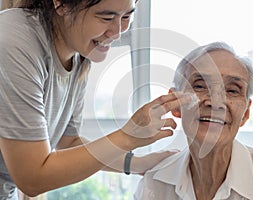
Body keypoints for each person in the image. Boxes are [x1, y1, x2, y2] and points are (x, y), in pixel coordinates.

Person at [0, 0, 194, 199]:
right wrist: (128, 136)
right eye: (106, 18)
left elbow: (68, 142)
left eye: (126, 16)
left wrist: (136, 163)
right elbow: (33, 178)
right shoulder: (14, 39)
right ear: (61, 5)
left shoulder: (77, 57)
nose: (117, 32)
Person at [134, 41, 253, 200]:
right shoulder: (154, 184)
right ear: (174, 103)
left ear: (246, 112)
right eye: (200, 86)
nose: (215, 102)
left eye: (232, 90)